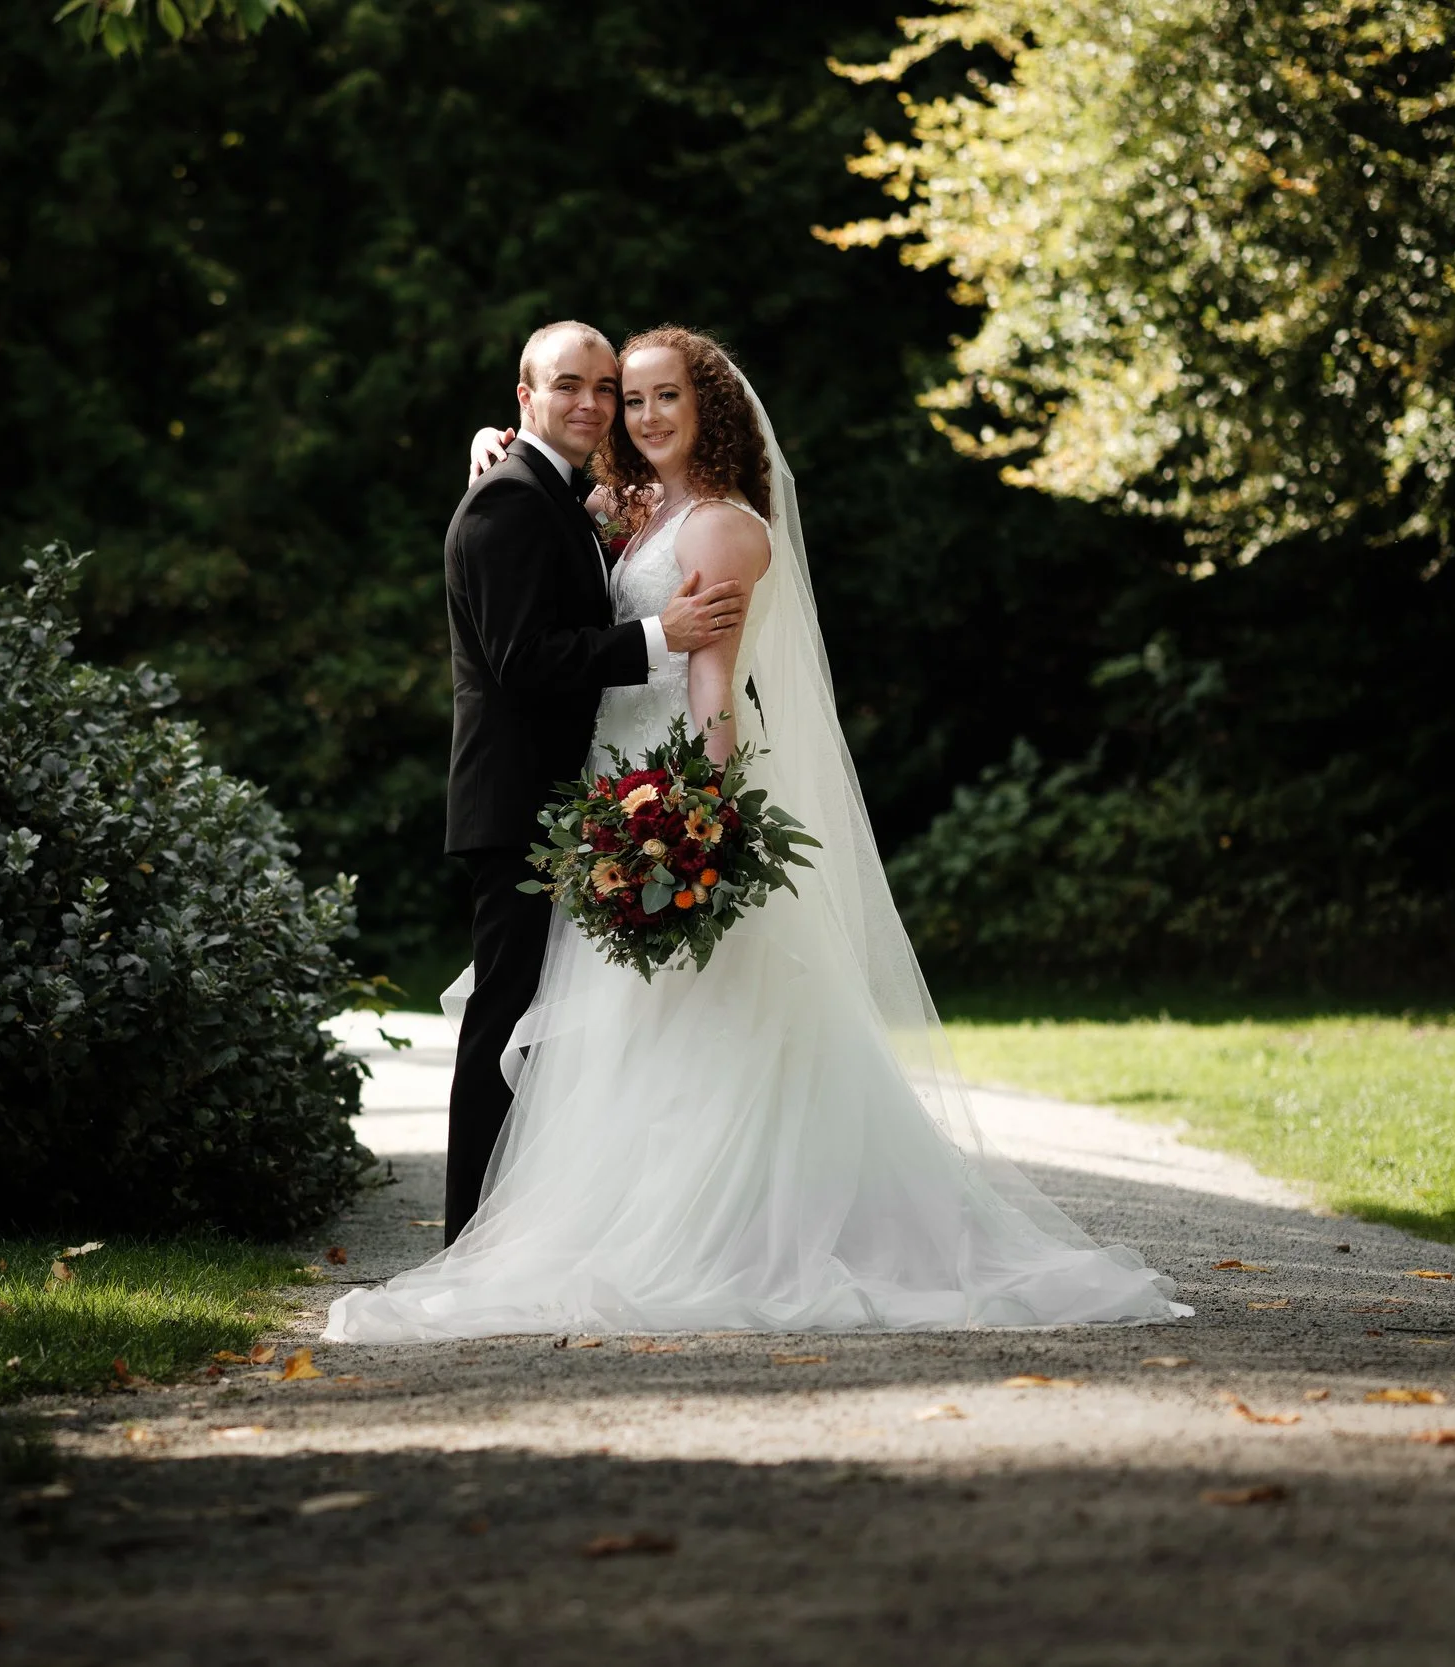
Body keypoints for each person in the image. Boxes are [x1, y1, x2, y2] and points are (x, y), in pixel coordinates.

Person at [328, 325, 1187, 1341]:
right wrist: (498, 439)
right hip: (593, 796)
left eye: (651, 397)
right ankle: (525, 1229)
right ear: (535, 394)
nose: (630, 413)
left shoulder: (721, 526)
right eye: (616, 395)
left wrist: (703, 814)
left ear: (709, 411)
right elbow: (550, 541)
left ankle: (691, 1230)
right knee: (573, 1030)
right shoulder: (628, 507)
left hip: (655, 796)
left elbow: (711, 690)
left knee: (669, 1025)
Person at [434, 320, 747, 1248]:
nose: (594, 404)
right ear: (525, 398)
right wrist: (662, 638)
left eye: (607, 389)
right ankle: (467, 1236)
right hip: (519, 803)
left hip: (572, 800)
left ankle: (526, 1224)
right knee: (509, 1019)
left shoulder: (568, 495)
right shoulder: (510, 500)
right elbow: (522, 660)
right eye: (569, 385)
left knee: (552, 1028)